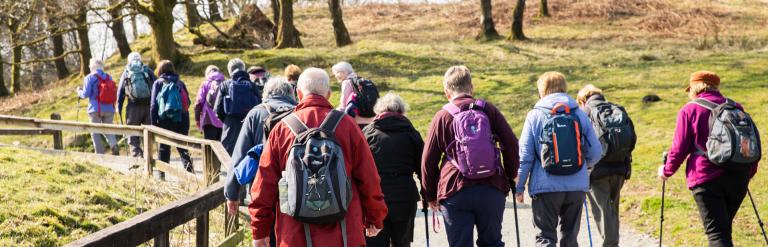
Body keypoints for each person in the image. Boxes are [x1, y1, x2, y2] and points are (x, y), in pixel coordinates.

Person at [249, 68, 387, 247]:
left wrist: (259, 230)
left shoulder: (281, 130)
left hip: (295, 235)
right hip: (344, 235)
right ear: (329, 94)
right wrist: (375, 218)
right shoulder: (348, 126)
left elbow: (263, 185)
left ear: (298, 94)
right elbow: (368, 178)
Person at [657, 71, 759, 247]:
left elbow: (679, 148)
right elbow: (748, 140)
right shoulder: (736, 107)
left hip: (706, 177)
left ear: (695, 88)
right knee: (724, 231)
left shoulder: (690, 110)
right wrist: (748, 171)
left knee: (717, 235)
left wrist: (666, 171)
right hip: (738, 176)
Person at [421, 66, 520, 247]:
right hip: (491, 187)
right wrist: (511, 175)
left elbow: (428, 160)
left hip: (455, 190)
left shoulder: (442, 117)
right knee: (492, 243)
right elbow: (511, 143)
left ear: (446, 92)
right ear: (471, 87)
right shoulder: (488, 110)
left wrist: (430, 195)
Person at [515, 71, 602, 247]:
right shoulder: (579, 114)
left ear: (542, 91)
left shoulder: (535, 115)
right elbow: (596, 151)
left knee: (545, 237)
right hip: (576, 186)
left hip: (545, 187)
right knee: (570, 238)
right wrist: (585, 168)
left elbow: (525, 157)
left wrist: (519, 187)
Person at [225, 76, 297, 211]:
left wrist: (231, 193)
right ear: (291, 93)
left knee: (264, 227)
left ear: (266, 93)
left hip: (262, 184)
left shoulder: (256, 113)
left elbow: (240, 154)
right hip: (294, 182)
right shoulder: (299, 112)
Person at [577, 84, 636, 247]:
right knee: (612, 210)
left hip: (596, 171)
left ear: (582, 100)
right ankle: (612, 243)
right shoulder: (618, 110)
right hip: (620, 169)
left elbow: (580, 143)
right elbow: (632, 139)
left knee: (602, 211)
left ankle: (611, 244)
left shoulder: (584, 113)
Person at [362, 93, 424, 247]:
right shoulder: (412, 133)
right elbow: (423, 168)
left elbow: (360, 170)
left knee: (375, 243)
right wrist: (428, 194)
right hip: (404, 197)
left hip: (375, 198)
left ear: (378, 111)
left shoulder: (368, 133)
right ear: (401, 112)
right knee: (402, 243)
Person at [150, 60, 194, 172]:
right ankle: (191, 176)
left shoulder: (158, 83)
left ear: (160, 70)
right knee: (183, 148)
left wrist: (154, 124)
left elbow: (153, 105)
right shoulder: (180, 82)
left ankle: (162, 176)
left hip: (165, 120)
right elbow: (188, 101)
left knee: (164, 148)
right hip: (182, 119)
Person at [214, 58, 261, 154]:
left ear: (229, 71)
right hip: (249, 125)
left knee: (229, 157)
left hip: (230, 126)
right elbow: (260, 105)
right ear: (243, 69)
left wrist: (227, 119)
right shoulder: (251, 85)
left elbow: (217, 109)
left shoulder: (224, 85)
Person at [76, 58, 120, 155]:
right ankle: (114, 145)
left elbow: (85, 94)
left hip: (95, 109)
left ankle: (100, 153)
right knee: (108, 129)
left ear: (92, 67)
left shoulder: (89, 77)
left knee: (94, 131)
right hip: (109, 108)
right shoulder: (109, 77)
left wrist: (78, 91)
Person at [117, 52, 156, 157]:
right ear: (140, 60)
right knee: (148, 133)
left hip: (133, 108)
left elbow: (120, 91)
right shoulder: (147, 70)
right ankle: (149, 157)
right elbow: (156, 86)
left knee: (132, 132)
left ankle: (137, 157)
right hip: (148, 107)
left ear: (128, 61)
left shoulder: (126, 72)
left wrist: (119, 109)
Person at [332, 61, 376, 129]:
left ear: (343, 72)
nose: (336, 75)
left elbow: (343, 105)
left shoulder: (346, 82)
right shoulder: (359, 79)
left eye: (337, 73)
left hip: (355, 117)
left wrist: (333, 112)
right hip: (368, 113)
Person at [195, 65, 225, 141]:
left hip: (208, 119)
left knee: (209, 146)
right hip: (222, 119)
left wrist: (197, 119)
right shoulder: (225, 83)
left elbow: (199, 101)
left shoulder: (205, 84)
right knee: (221, 147)